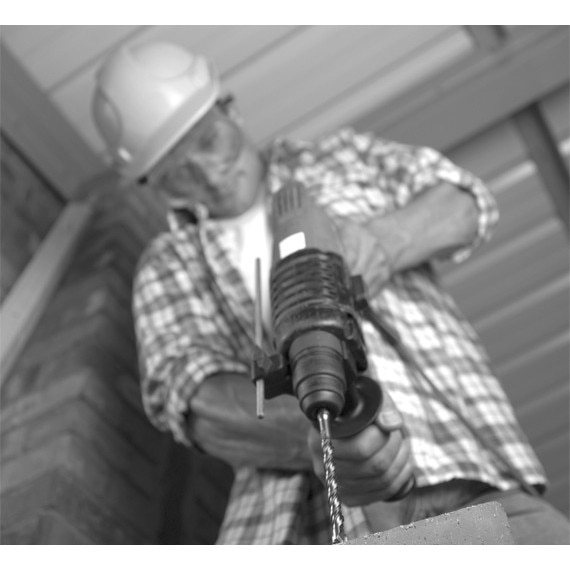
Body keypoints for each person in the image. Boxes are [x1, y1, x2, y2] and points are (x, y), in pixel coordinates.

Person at [92, 40, 570, 545]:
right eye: (178, 173)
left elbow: (465, 201)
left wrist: (382, 243)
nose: (209, 175)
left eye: (210, 141)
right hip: (305, 529)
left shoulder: (337, 157)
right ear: (152, 183)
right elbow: (192, 399)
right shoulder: (170, 262)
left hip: (467, 476)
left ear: (230, 110)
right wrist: (320, 436)